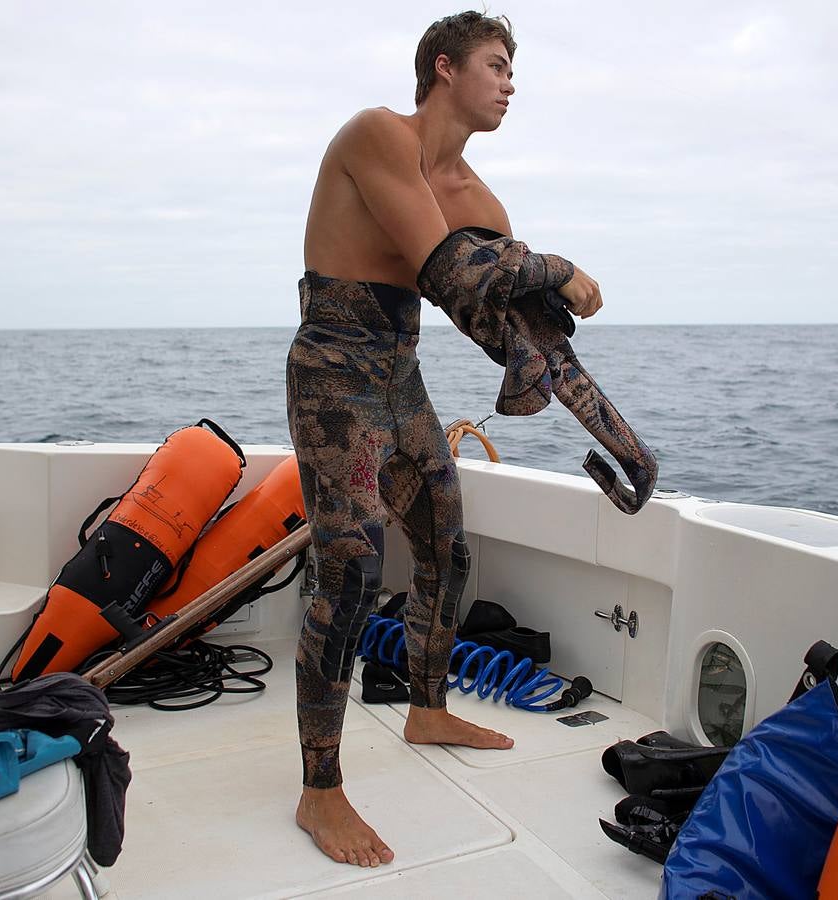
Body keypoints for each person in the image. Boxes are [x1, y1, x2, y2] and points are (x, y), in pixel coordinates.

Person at [287, 11, 602, 868]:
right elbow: (446, 268)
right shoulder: (376, 136)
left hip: (399, 372)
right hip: (332, 371)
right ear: (443, 67)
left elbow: (487, 311)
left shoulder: (479, 198)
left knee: (446, 547)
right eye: (496, 66)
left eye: (513, 71)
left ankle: (427, 709)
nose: (509, 83)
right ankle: (320, 791)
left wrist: (537, 367)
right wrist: (556, 268)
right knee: (350, 568)